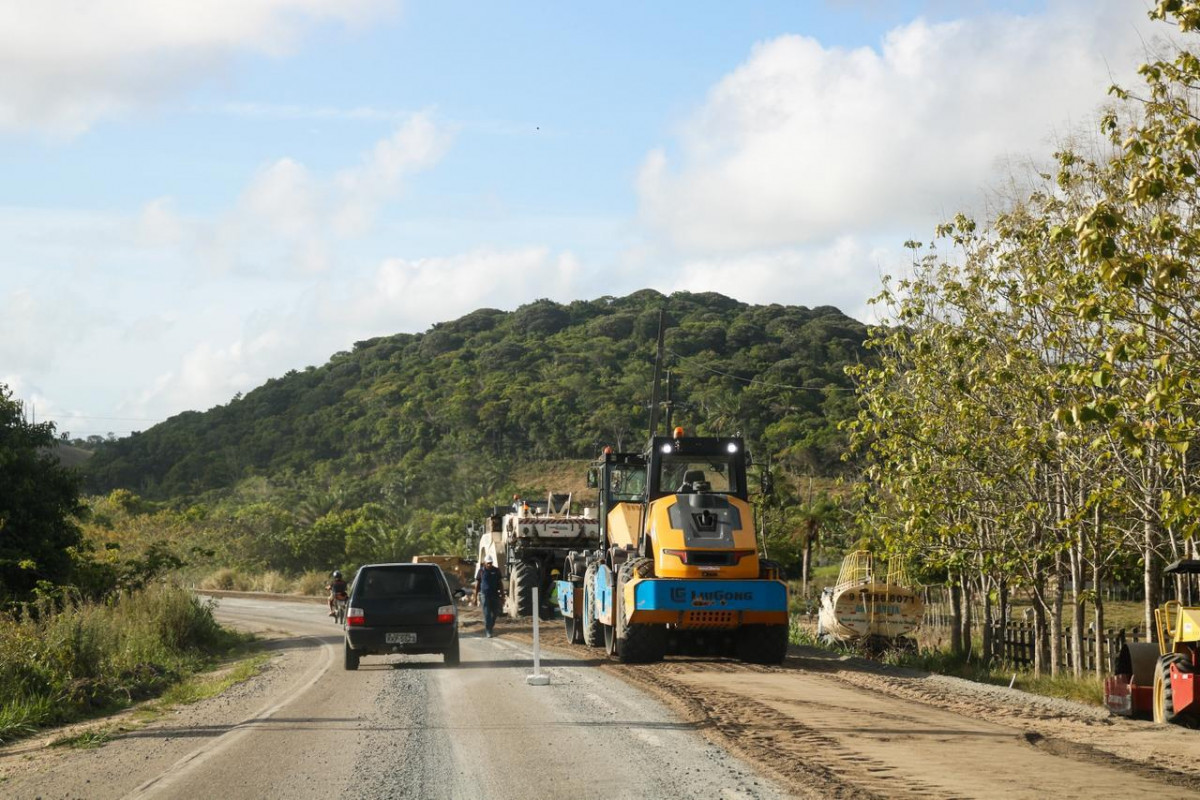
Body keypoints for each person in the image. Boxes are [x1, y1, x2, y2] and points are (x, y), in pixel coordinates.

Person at [475, 557, 505, 637]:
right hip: (484, 595)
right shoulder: (481, 571)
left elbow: (500, 583)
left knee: (495, 612)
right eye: (488, 563)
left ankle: (490, 626)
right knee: (487, 613)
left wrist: (502, 595)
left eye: (491, 563)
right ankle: (488, 631)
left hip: (494, 594)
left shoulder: (496, 570)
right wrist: (475, 597)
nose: (489, 564)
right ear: (485, 563)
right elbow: (477, 584)